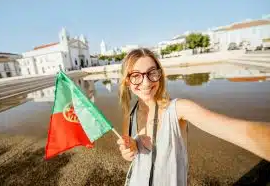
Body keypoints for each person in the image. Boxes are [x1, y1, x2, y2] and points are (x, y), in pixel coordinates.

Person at [116, 48, 270, 186]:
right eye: (136, 75)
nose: (146, 81)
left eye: (152, 73)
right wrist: (130, 151)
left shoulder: (178, 109)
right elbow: (133, 155)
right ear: (127, 81)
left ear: (159, 74)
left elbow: (242, 132)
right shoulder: (130, 114)